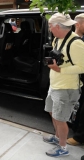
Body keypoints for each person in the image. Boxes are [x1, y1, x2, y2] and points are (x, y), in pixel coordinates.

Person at [43, 13, 84, 157]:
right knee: (52, 112)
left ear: (57, 26)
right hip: (55, 84)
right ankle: (57, 137)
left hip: (66, 88)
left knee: (60, 119)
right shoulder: (58, 39)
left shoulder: (76, 43)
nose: (49, 28)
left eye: (50, 26)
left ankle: (63, 147)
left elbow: (82, 66)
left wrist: (60, 69)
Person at [66, 13, 84, 146]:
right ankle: (76, 130)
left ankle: (79, 137)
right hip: (74, 79)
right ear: (78, 24)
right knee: (78, 107)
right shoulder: (70, 39)